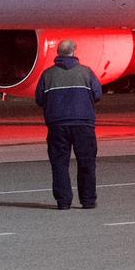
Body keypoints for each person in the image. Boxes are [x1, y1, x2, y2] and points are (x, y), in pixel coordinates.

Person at [35, 38, 102, 209]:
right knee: (86, 162)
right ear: (74, 51)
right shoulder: (86, 73)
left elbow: (39, 99)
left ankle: (63, 201)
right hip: (83, 124)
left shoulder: (48, 75)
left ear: (58, 53)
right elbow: (97, 94)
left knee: (59, 163)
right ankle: (87, 200)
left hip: (57, 125)